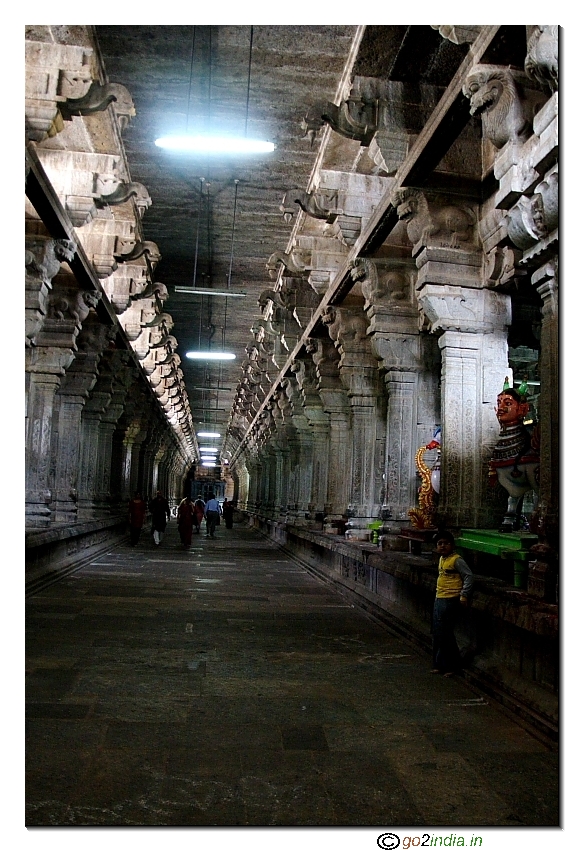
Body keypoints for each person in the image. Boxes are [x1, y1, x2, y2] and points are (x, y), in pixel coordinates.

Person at [431, 531, 473, 677]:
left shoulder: (457, 560)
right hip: (440, 597)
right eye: (440, 544)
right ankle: (439, 664)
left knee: (446, 634)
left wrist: (464, 595)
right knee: (437, 633)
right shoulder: (442, 559)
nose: (443, 546)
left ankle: (453, 666)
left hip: (451, 598)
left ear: (453, 545)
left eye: (446, 543)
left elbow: (468, 576)